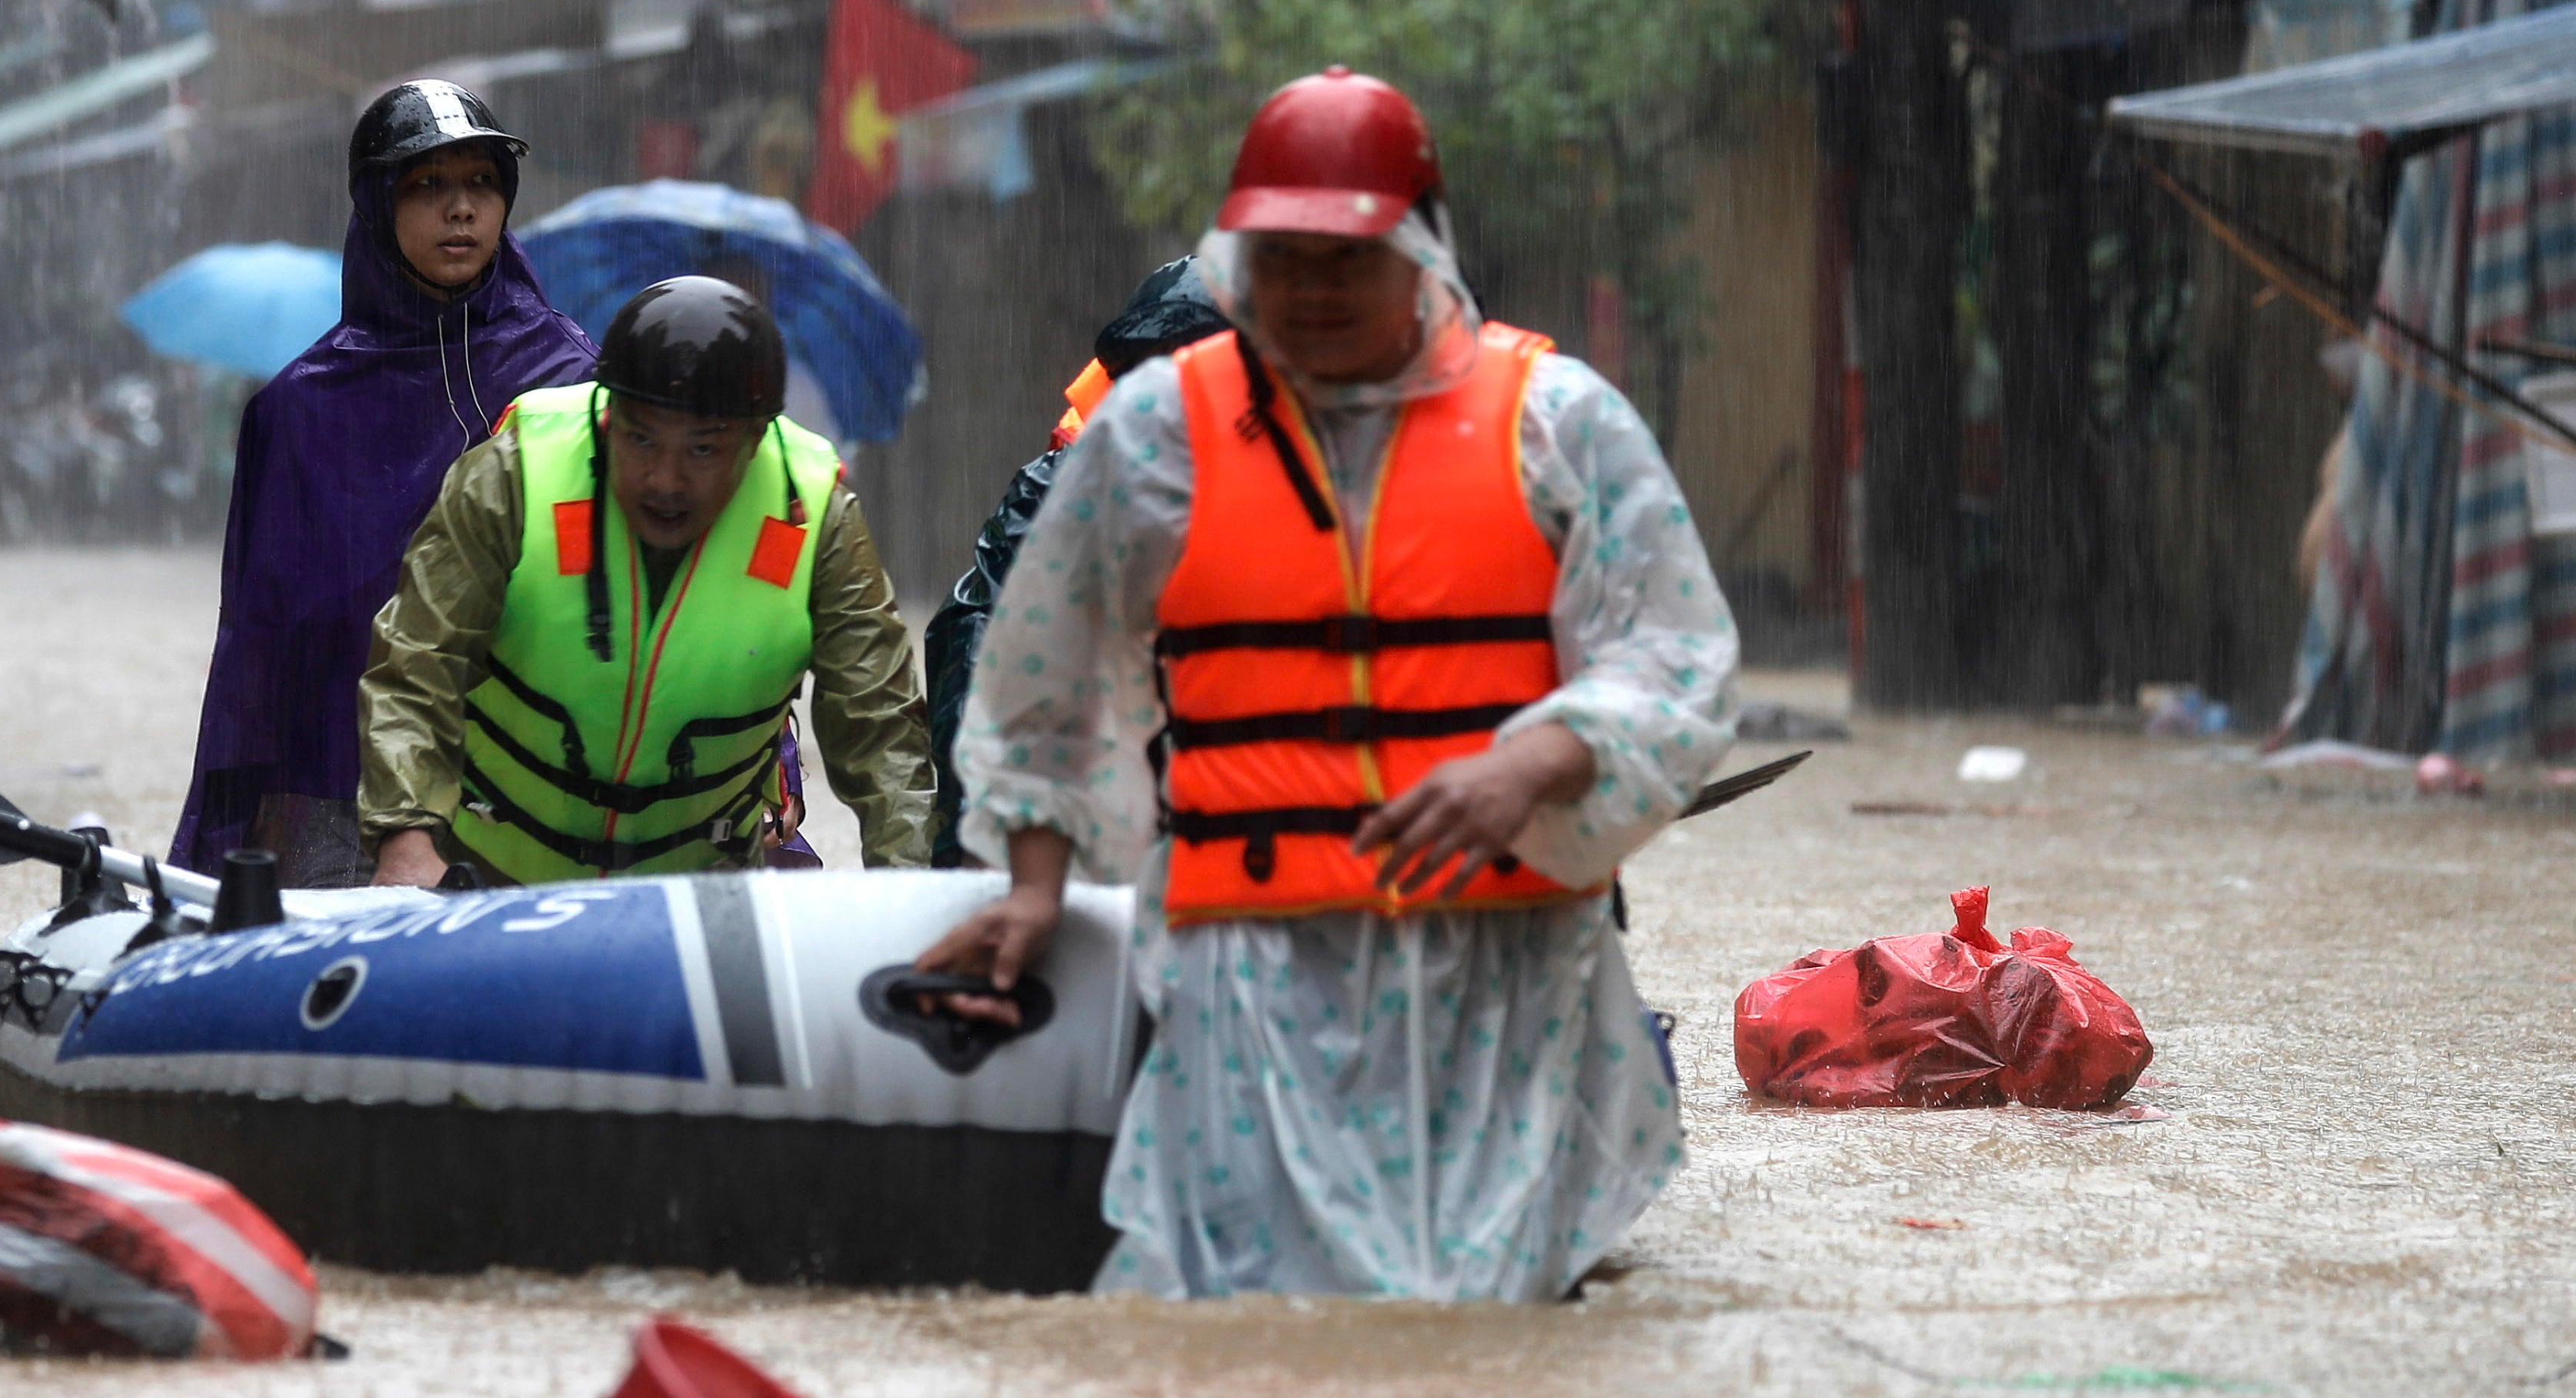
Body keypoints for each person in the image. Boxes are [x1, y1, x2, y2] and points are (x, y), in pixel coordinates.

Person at [919, 68, 1736, 1301]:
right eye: (1279, 258)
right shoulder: (1152, 437)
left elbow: (1676, 654)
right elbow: (1039, 678)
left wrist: (1537, 758)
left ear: (1421, 250)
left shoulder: (1558, 424)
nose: (1306, 290)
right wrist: (1035, 884)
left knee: (1492, 1359)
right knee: (1256, 1348)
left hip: (1507, 986)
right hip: (1244, 983)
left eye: (1344, 258)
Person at [357, 273, 934, 883]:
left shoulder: (818, 516)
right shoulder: (511, 474)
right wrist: (405, 838)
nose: (666, 479)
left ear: (755, 439)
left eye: (703, 450)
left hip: (695, 894)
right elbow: (417, 662)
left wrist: (911, 891)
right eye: (641, 438)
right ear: (607, 416)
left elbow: (882, 726)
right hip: (489, 875)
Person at [171, 80, 598, 886]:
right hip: (339, 778)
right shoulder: (299, 409)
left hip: (527, 766)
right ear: (376, 204)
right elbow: (263, 638)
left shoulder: (567, 376)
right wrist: (257, 812)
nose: (460, 209)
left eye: (479, 184)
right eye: (426, 186)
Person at [920, 256, 1226, 859]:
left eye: (1194, 375)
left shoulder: (1315, 495)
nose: (1170, 404)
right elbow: (975, 648)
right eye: (1149, 376)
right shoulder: (1058, 487)